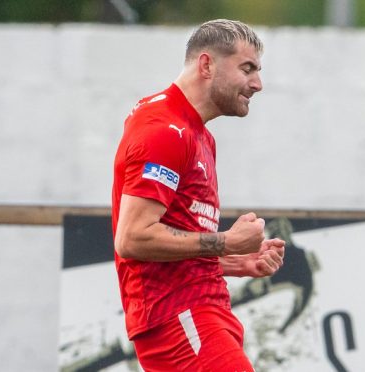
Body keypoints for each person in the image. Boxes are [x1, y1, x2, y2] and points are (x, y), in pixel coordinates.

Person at [111, 19, 285, 371]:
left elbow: (169, 242)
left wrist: (236, 262)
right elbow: (132, 238)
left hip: (197, 312)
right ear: (207, 65)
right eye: (247, 68)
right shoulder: (165, 129)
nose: (258, 84)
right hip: (178, 315)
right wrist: (226, 242)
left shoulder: (198, 136)